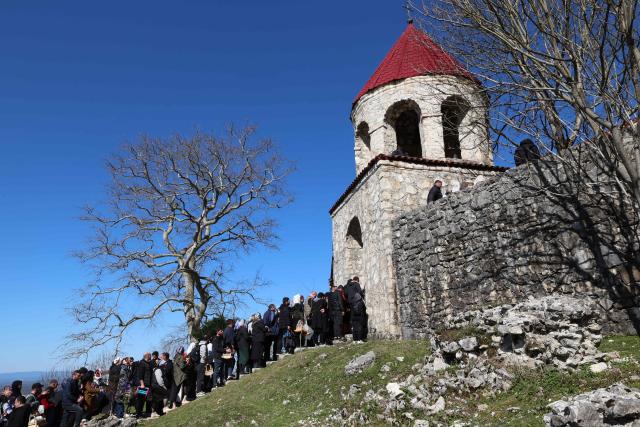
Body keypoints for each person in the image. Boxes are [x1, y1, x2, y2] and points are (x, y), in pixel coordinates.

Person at [345, 276, 367, 342]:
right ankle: (360, 339)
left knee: (354, 323)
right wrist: (363, 296)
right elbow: (360, 291)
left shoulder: (348, 286)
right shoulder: (356, 284)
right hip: (358, 304)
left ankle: (355, 339)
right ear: (357, 280)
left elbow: (346, 294)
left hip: (351, 305)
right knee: (360, 321)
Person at [135, 353, 152, 419]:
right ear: (147, 356)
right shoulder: (142, 363)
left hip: (148, 384)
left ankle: (148, 412)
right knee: (141, 400)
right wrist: (142, 384)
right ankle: (139, 414)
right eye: (150, 356)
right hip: (143, 385)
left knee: (149, 399)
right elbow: (140, 375)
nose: (151, 357)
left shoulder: (148, 363)